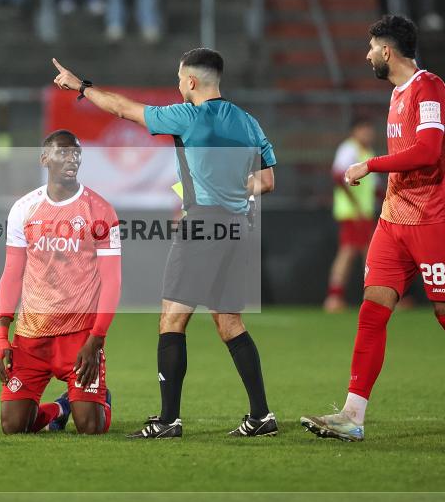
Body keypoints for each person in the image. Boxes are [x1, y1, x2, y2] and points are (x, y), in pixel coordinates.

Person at [51, 49, 278, 439]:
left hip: (202, 226)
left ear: (191, 81)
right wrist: (235, 188)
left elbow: (124, 109)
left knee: (172, 320)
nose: (177, 84)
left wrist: (82, 87)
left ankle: (168, 419)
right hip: (239, 227)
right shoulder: (247, 121)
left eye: (179, 78)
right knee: (229, 321)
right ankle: (261, 416)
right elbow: (268, 181)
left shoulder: (188, 116)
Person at [301, 15, 445, 442]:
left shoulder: (428, 88)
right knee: (372, 311)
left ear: (387, 51)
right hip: (394, 219)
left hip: (435, 218)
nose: (367, 54)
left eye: (371, 47)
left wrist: (369, 165)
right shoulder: (397, 95)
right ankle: (353, 415)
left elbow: (428, 152)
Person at [0, 130, 120, 434]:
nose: (71, 159)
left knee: (90, 426)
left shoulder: (100, 210)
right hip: (31, 337)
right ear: (44, 158)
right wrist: (2, 335)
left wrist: (96, 340)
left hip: (79, 337)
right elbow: (12, 272)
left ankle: (97, 400)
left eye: (76, 153)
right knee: (13, 426)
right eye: (63, 153)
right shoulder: (24, 208)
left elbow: (112, 281)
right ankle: (61, 407)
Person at [324, 118, 377, 313]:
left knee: (369, 254)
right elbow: (338, 175)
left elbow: (374, 186)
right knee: (349, 253)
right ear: (355, 131)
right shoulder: (349, 148)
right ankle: (334, 297)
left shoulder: (366, 151)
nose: (368, 133)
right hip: (352, 213)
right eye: (364, 129)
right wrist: (355, 204)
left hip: (363, 213)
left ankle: (375, 297)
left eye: (369, 129)